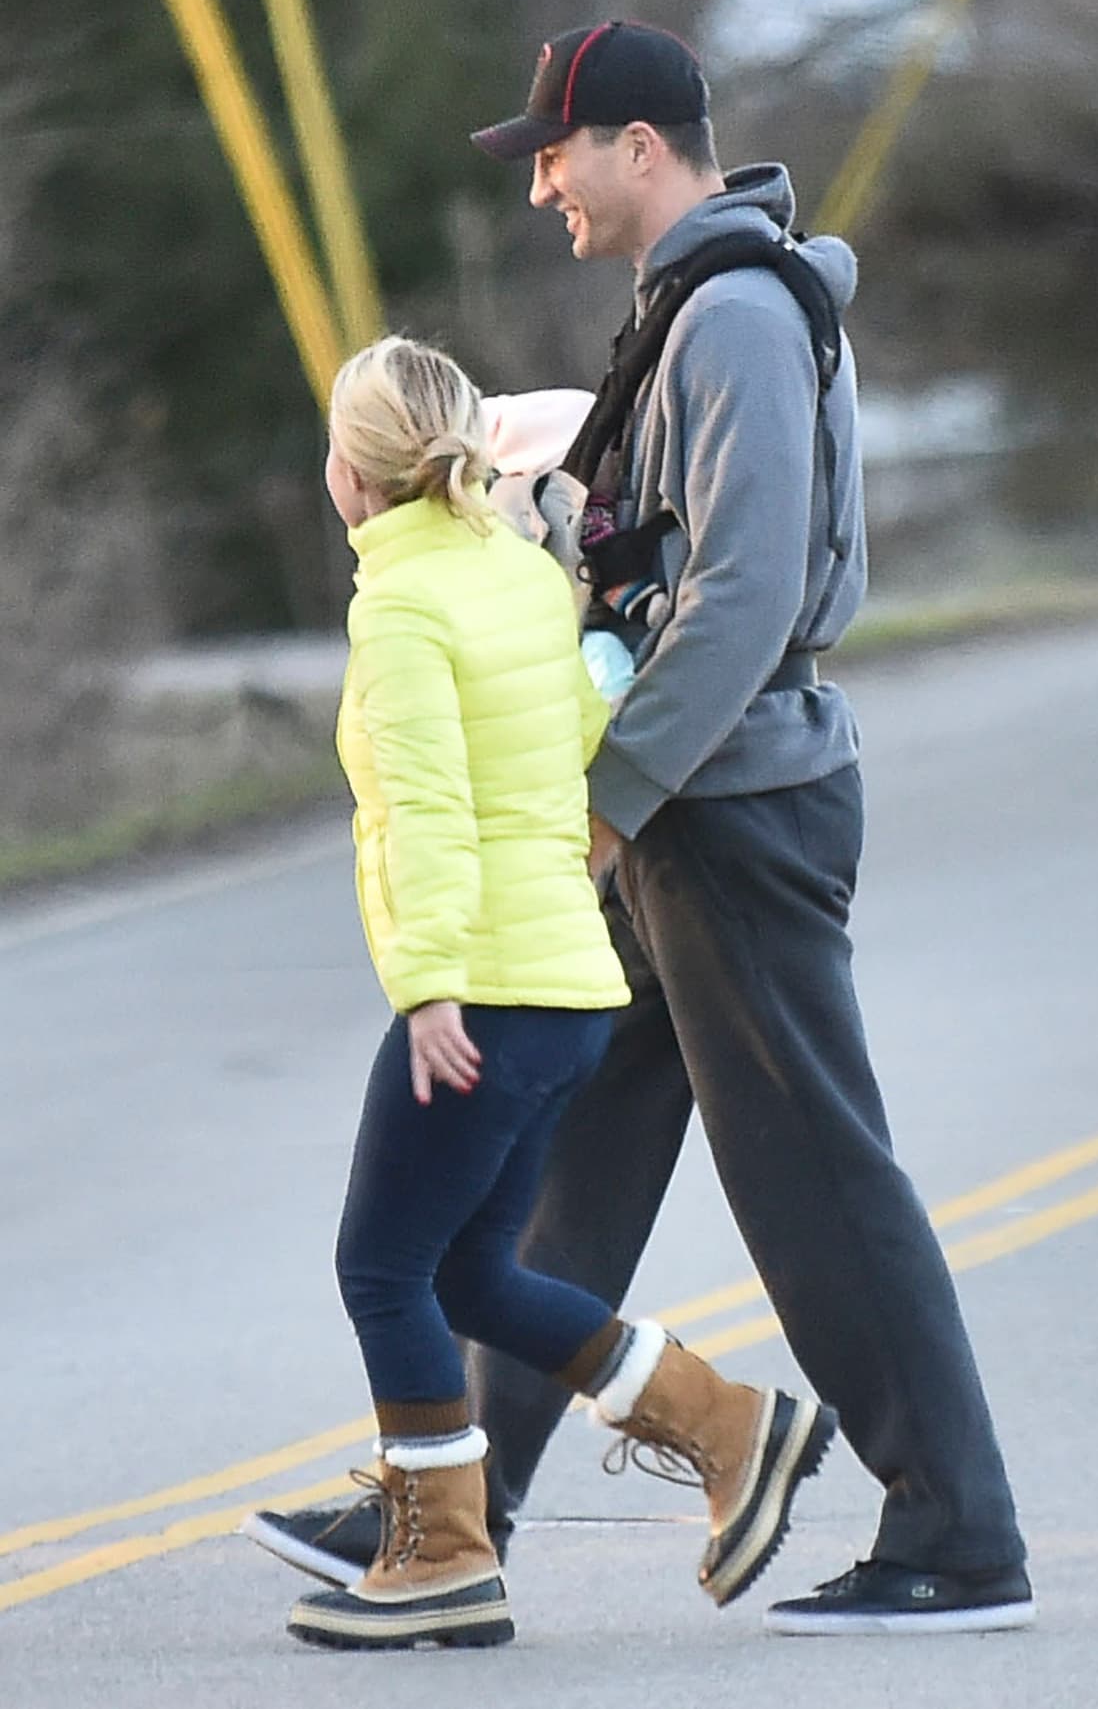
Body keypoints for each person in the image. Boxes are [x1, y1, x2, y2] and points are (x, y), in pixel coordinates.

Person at [248, 22, 1035, 1636]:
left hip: (727, 808)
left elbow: (740, 601)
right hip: (679, 803)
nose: (540, 184)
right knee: (559, 1186)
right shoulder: (687, 308)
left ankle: (959, 1537)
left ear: (639, 144)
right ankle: (446, 1503)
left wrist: (599, 806)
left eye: (555, 151)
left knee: (815, 1177)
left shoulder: (737, 314)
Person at [277, 334, 836, 1652]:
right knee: (470, 1270)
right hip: (569, 983)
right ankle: (728, 1424)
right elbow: (584, 744)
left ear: (352, 470)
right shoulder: (522, 583)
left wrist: (426, 989)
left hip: (481, 985)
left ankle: (445, 1557)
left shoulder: (401, 606)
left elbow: (423, 811)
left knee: (382, 1266)